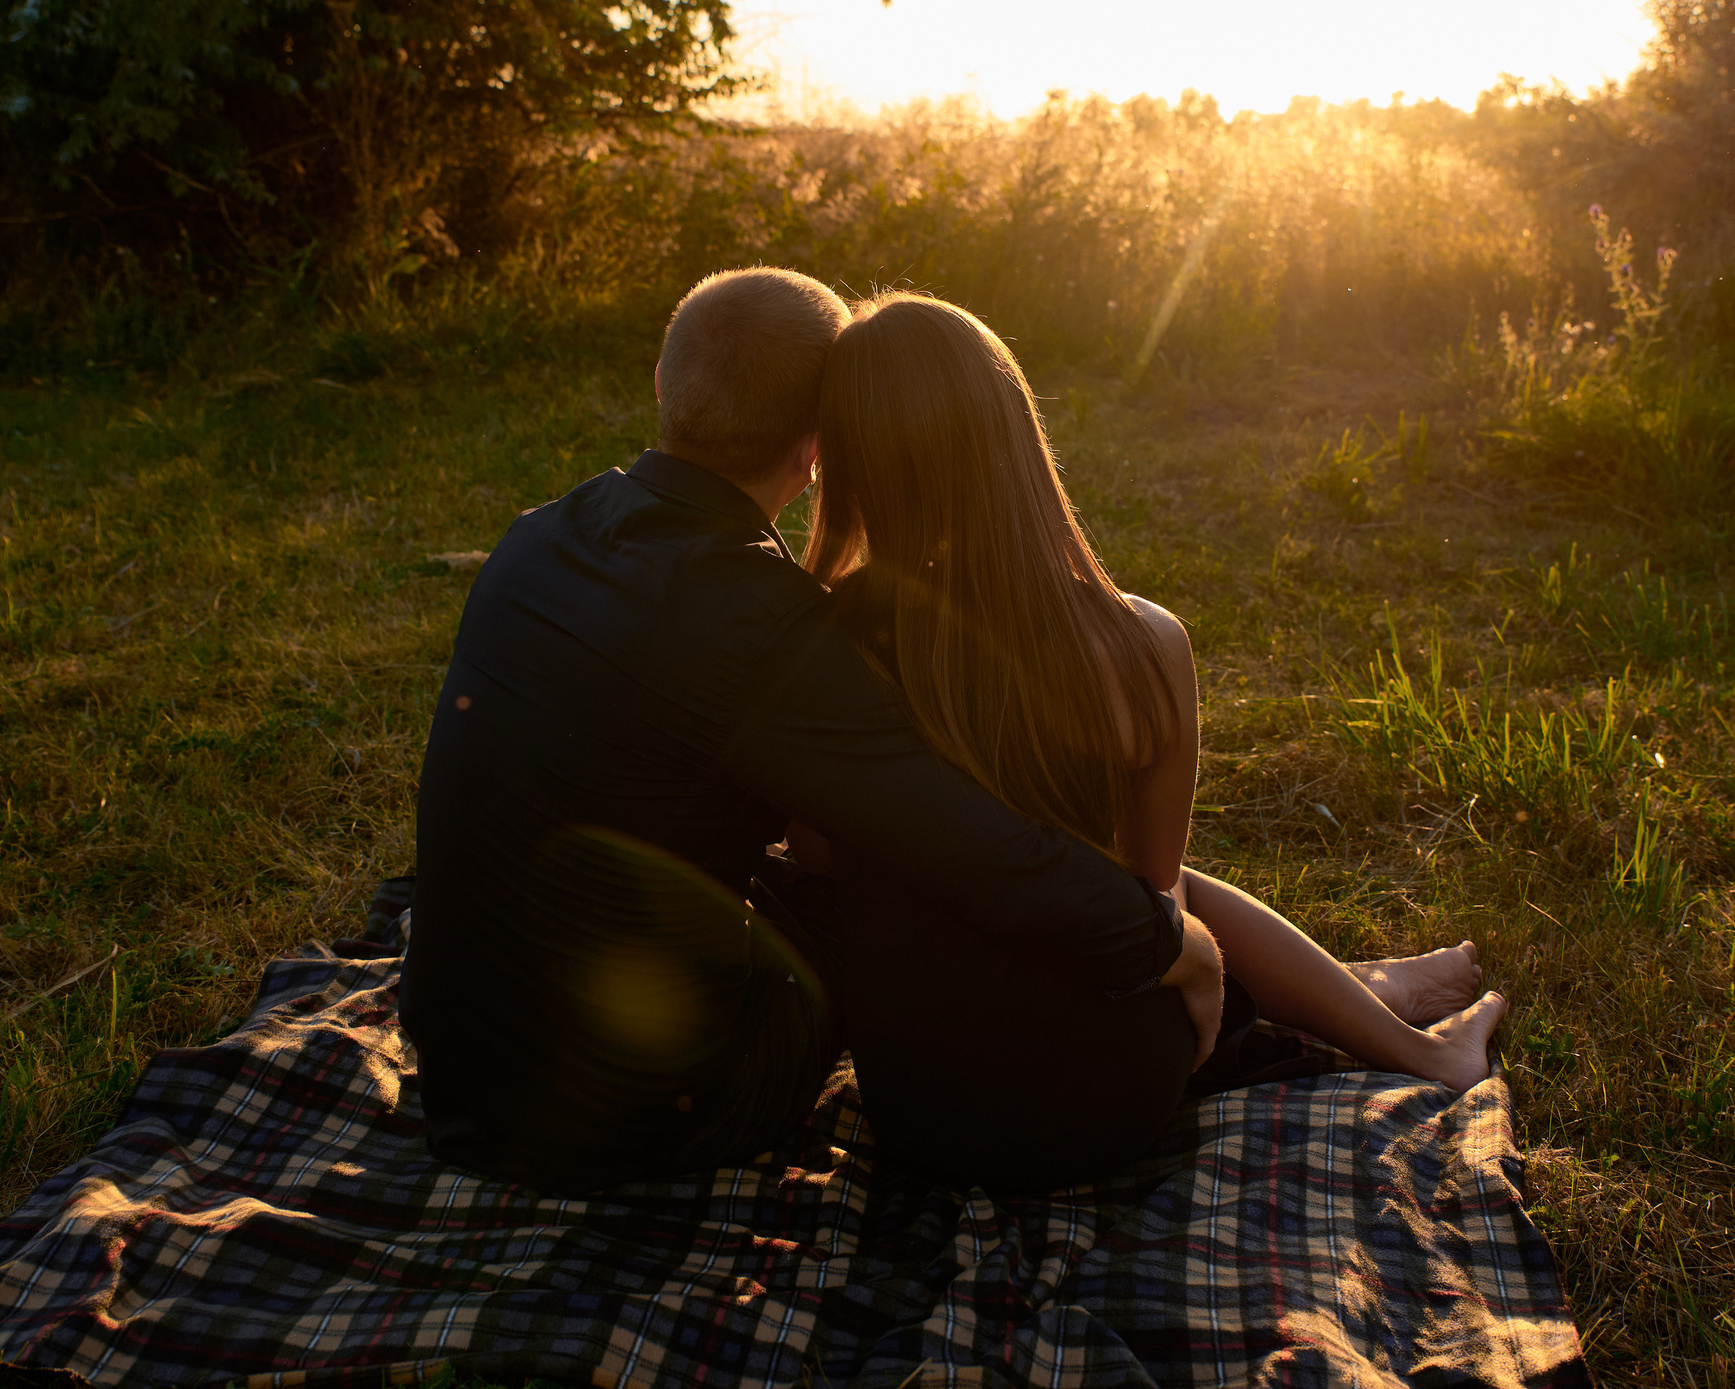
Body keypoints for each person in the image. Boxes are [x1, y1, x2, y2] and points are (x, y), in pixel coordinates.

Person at [399, 266, 1226, 1195]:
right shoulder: (760, 628)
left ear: (665, 389)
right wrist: (1167, 942)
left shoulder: (535, 539)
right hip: (636, 1116)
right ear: (820, 450)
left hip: (461, 1074)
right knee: (913, 887)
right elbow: (978, 849)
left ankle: (1371, 997)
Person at [792, 291, 1507, 1189]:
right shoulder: (1142, 643)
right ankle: (1404, 1030)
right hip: (1114, 1094)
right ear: (1015, 438)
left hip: (923, 1112)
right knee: (1163, 893)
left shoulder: (827, 645)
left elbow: (817, 854)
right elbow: (1154, 889)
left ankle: (1377, 998)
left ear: (848, 462)